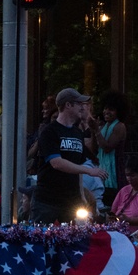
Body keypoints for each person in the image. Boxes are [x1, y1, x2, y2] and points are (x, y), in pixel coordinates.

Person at [30, 87, 108, 223]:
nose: (82, 107)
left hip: (71, 201)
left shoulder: (77, 133)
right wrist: (89, 170)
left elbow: (79, 167)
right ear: (68, 105)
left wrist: (82, 196)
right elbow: (56, 163)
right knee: (41, 234)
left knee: (72, 235)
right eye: (78, 103)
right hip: (47, 200)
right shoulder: (50, 131)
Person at [88, 92, 128, 206]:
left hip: (115, 171)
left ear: (118, 111)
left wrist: (96, 130)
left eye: (111, 109)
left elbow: (107, 148)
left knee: (113, 202)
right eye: (105, 108)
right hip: (101, 169)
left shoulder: (120, 126)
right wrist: (93, 131)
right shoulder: (103, 127)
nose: (106, 112)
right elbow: (93, 149)